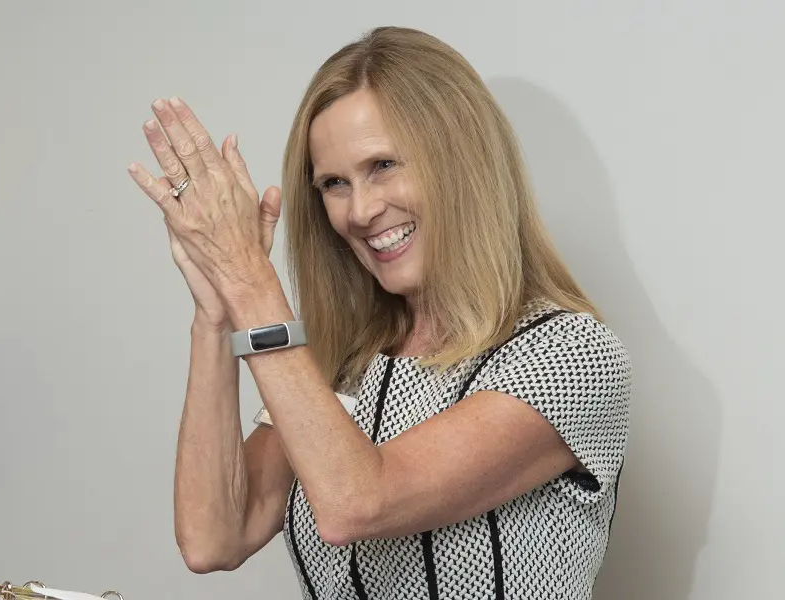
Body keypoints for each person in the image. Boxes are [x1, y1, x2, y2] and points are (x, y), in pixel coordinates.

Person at [125, 26, 632, 600]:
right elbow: (214, 537)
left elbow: (357, 502)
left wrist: (248, 278)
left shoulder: (569, 355)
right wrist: (215, 310)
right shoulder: (337, 364)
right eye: (335, 183)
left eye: (384, 165)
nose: (361, 210)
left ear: (462, 160)